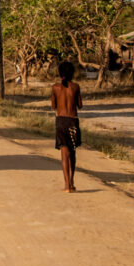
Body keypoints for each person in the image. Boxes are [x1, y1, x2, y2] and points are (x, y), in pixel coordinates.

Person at [51, 59, 82, 192]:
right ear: (72, 73)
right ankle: (72, 181)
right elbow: (80, 105)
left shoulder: (55, 87)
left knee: (64, 154)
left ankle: (66, 185)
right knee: (73, 153)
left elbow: (53, 106)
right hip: (72, 121)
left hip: (61, 121)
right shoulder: (76, 87)